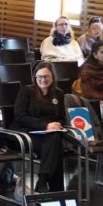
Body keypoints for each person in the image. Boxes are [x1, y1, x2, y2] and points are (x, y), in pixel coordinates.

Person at [13, 64, 71, 192]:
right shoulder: (26, 91)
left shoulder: (58, 93)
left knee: (55, 139)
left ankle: (43, 180)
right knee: (56, 145)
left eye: (46, 76)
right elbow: (20, 117)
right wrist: (46, 126)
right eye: (39, 77)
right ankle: (55, 189)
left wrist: (57, 124)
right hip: (27, 134)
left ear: (52, 77)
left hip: (50, 135)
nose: (43, 80)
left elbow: (61, 117)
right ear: (35, 77)